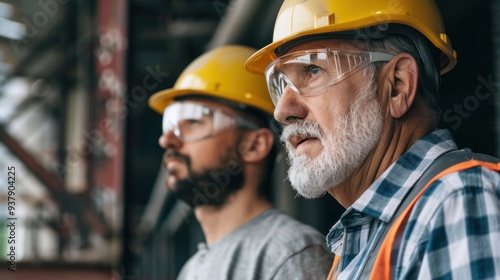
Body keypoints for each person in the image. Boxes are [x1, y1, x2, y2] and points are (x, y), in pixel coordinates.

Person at [245, 0, 500, 279]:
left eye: (313, 70)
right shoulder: (351, 247)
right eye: (280, 83)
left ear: (397, 86)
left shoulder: (457, 198)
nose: (283, 111)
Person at [148, 45, 333, 279]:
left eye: (193, 121)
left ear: (255, 145)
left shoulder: (289, 255)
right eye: (170, 123)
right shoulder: (191, 270)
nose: (167, 140)